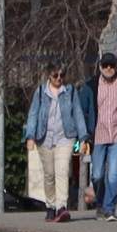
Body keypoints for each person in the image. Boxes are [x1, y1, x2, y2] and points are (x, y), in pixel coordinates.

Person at [23, 64, 85, 222]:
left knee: (62, 171)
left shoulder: (70, 92)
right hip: (44, 138)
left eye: (62, 75)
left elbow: (78, 114)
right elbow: (33, 114)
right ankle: (50, 206)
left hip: (65, 137)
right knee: (49, 174)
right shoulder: (41, 92)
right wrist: (30, 136)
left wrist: (83, 137)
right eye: (55, 75)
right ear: (49, 76)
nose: (59, 79)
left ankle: (62, 207)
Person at [87, 53, 117, 217]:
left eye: (112, 66)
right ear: (100, 66)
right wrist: (84, 137)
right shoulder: (91, 86)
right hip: (98, 135)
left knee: (114, 173)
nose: (109, 69)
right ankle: (100, 202)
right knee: (97, 175)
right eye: (105, 65)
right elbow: (84, 111)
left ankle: (109, 208)